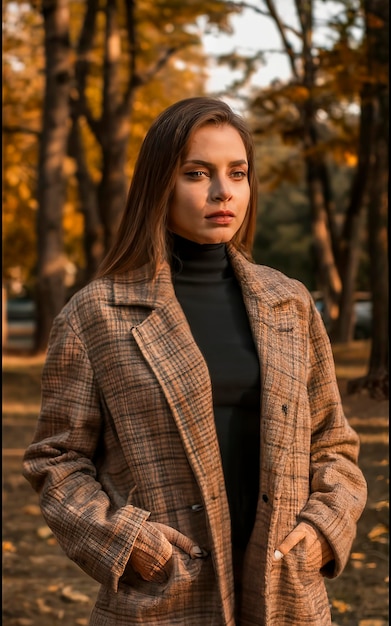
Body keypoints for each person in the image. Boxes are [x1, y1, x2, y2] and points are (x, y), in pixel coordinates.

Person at [23, 96, 367, 626]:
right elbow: (57, 459)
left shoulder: (290, 303)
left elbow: (333, 442)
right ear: (160, 182)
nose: (222, 191)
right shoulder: (97, 313)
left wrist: (324, 528)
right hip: (161, 598)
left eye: (238, 173)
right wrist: (124, 541)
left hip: (286, 593)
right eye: (197, 173)